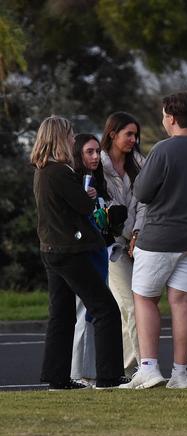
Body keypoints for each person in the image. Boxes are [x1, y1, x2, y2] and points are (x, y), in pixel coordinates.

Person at [121, 92, 187, 390]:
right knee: (184, 301)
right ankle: (180, 373)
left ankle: (149, 367)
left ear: (172, 117)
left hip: (162, 235)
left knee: (145, 298)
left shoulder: (163, 150)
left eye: (165, 115)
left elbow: (143, 192)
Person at [32, 116, 125, 390]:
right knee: (105, 308)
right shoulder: (61, 172)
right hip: (71, 249)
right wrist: (88, 196)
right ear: (60, 137)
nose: (73, 139)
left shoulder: (41, 170)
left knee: (61, 313)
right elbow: (84, 207)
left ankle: (57, 377)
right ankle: (109, 376)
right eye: (70, 135)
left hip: (50, 248)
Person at [100, 112, 146, 378]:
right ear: (112, 134)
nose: (133, 139)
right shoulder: (98, 166)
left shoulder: (139, 164)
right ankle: (141, 365)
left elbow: (144, 203)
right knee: (129, 304)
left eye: (135, 134)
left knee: (132, 305)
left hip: (135, 243)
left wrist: (137, 233)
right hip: (110, 246)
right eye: (128, 134)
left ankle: (128, 368)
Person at [69, 134, 109, 384]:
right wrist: (87, 199)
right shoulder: (74, 180)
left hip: (100, 251)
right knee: (83, 311)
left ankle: (90, 371)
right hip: (82, 252)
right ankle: (79, 373)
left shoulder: (98, 180)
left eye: (97, 151)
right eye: (89, 152)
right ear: (78, 154)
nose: (95, 157)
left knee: (94, 313)